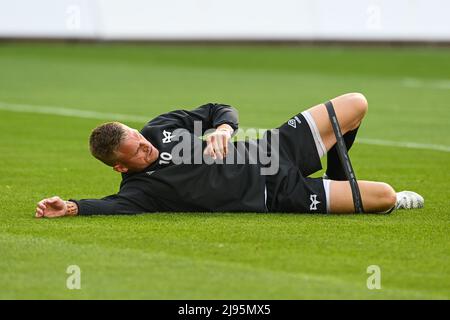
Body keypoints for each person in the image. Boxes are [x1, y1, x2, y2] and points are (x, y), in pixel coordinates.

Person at [35, 93, 424, 218]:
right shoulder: (140, 191)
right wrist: (70, 207)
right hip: (279, 193)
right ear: (121, 166)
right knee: (386, 197)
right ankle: (347, 189)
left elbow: (218, 108)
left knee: (355, 104)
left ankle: (341, 178)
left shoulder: (160, 128)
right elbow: (107, 206)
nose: (145, 144)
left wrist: (223, 129)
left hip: (275, 146)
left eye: (138, 136)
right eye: (136, 150)